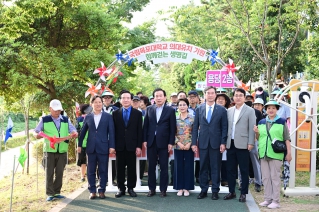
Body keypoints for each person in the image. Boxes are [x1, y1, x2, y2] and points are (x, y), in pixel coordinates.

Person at [34, 99, 78, 201]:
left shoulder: (66, 119)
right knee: (49, 172)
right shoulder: (44, 119)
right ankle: (50, 193)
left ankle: (57, 192)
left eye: (59, 110)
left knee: (60, 172)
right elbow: (36, 132)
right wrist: (39, 135)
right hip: (49, 150)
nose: (57, 112)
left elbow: (72, 130)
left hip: (62, 150)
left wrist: (74, 133)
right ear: (50, 109)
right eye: (55, 110)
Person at [191, 86, 228, 200]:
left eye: (212, 93)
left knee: (215, 167)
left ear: (215, 95)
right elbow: (195, 127)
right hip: (202, 142)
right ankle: (203, 190)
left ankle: (215, 191)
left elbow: (224, 127)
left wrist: (223, 142)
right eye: (208, 93)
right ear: (205, 95)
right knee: (203, 167)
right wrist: (193, 143)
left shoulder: (222, 110)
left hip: (216, 143)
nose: (210, 95)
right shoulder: (199, 109)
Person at [254, 100, 292, 209]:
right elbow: (258, 138)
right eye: (269, 108)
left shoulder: (282, 121)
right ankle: (267, 199)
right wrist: (256, 132)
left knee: (275, 177)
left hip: (276, 154)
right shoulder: (261, 122)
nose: (271, 110)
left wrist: (289, 153)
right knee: (265, 177)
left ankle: (276, 201)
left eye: (273, 108)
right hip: (263, 153)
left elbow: (287, 139)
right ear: (265, 109)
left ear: (277, 110)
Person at [77, 95, 115, 200]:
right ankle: (92, 191)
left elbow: (111, 132)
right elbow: (83, 132)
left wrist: (112, 146)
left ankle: (102, 190)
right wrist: (79, 145)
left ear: (102, 103)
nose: (98, 104)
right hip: (91, 147)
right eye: (96, 102)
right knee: (91, 170)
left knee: (103, 170)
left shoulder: (108, 116)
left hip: (103, 146)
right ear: (91, 104)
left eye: (99, 102)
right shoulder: (88, 117)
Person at [143, 88, 176, 197]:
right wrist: (144, 140)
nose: (158, 98)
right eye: (156, 96)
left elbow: (172, 128)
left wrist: (171, 142)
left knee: (164, 167)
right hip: (151, 141)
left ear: (165, 97)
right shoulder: (149, 109)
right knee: (151, 166)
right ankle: (151, 189)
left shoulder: (170, 110)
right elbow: (146, 126)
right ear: (154, 98)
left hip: (164, 142)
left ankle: (163, 189)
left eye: (161, 96)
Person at [224, 88, 255, 203]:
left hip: (243, 144)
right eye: (236, 95)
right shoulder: (229, 110)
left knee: (244, 170)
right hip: (230, 143)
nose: (238, 97)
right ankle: (231, 191)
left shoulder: (249, 111)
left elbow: (252, 128)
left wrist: (251, 142)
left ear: (244, 97)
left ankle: (243, 193)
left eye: (240, 95)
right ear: (233, 97)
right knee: (230, 169)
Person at [112, 90, 143, 198]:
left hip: (132, 145)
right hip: (119, 145)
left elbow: (140, 131)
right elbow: (113, 131)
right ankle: (121, 189)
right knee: (119, 168)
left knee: (131, 168)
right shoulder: (115, 113)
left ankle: (131, 188)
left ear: (131, 100)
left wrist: (139, 146)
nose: (125, 100)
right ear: (120, 100)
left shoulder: (138, 114)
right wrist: (113, 145)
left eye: (128, 98)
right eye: (123, 98)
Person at [174, 98, 195, 197]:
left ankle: (187, 188)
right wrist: (178, 143)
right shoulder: (175, 119)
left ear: (187, 106)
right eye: (180, 105)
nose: (182, 107)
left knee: (188, 166)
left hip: (189, 146)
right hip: (178, 146)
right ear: (178, 107)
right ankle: (180, 188)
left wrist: (189, 143)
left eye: (184, 105)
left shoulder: (192, 118)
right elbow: (172, 133)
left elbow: (195, 133)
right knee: (178, 166)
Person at [101, 90, 118, 186]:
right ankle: (102, 179)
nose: (107, 99)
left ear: (112, 99)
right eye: (105, 97)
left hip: (113, 137)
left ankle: (112, 179)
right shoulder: (98, 109)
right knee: (101, 159)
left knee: (113, 159)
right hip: (101, 138)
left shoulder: (116, 109)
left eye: (109, 97)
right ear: (102, 99)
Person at [215, 92, 231, 187]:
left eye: (222, 99)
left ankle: (224, 179)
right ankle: (214, 179)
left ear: (226, 102)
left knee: (225, 160)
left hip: (226, 138)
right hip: (214, 138)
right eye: (218, 99)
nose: (220, 100)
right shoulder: (212, 110)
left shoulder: (229, 111)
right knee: (214, 160)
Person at [76, 104, 93, 182]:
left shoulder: (93, 117)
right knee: (82, 161)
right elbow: (77, 132)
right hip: (82, 144)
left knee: (91, 161)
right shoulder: (79, 119)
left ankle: (92, 176)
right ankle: (82, 176)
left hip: (91, 143)